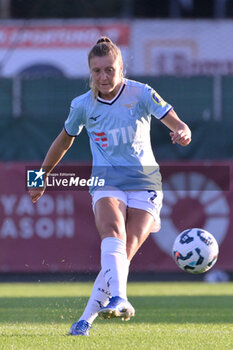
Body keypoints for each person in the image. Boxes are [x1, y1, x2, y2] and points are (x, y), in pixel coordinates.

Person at [29, 36, 191, 336]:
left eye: (109, 70)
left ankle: (84, 321)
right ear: (90, 72)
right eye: (97, 71)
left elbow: (176, 121)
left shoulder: (141, 93)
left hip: (145, 182)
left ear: (121, 69)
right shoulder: (82, 104)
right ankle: (120, 298)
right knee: (112, 232)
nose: (103, 77)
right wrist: (40, 176)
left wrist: (183, 130)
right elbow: (63, 141)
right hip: (106, 181)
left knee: (123, 254)